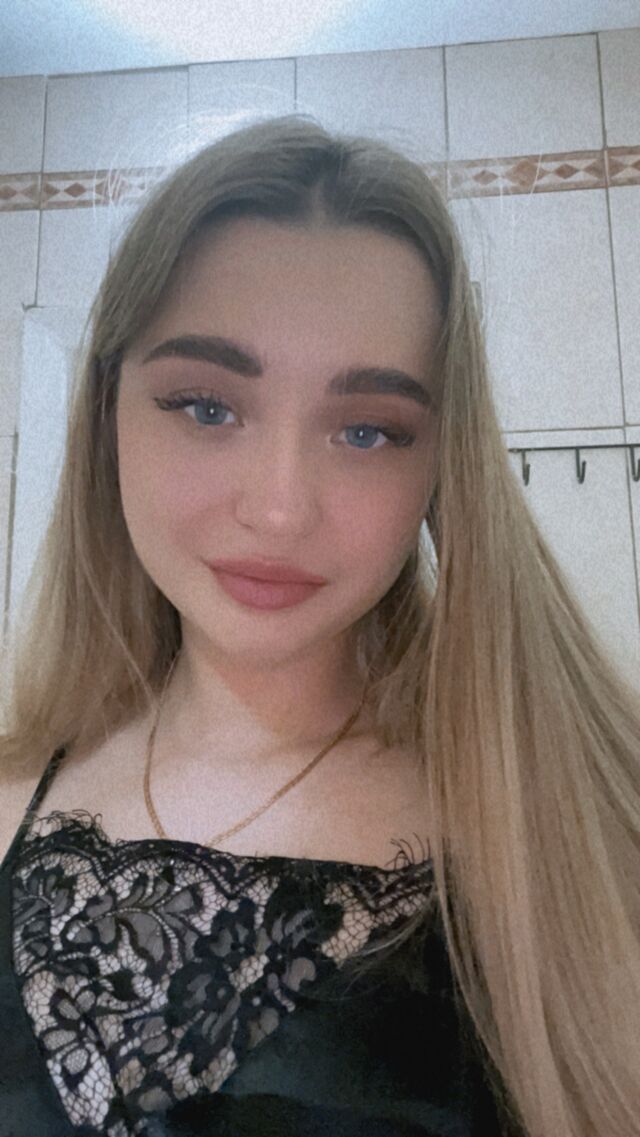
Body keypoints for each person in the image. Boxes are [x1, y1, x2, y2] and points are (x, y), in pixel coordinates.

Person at [0, 114, 639, 1137]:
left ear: (441, 463)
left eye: (367, 429)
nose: (280, 508)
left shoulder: (584, 826)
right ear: (107, 412)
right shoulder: (10, 794)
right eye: (207, 406)